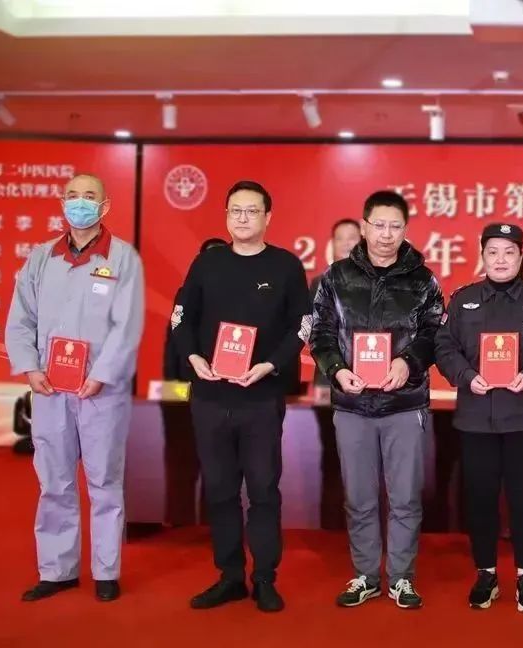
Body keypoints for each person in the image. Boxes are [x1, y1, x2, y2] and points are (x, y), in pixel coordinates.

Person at [171, 180, 311, 613]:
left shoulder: (286, 266)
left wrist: (270, 365)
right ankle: (229, 575)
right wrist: (193, 357)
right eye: (236, 211)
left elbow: (302, 326)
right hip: (210, 396)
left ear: (268, 217)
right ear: (226, 216)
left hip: (261, 397)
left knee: (264, 489)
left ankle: (264, 577)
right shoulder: (207, 263)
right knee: (220, 489)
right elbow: (181, 318)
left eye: (252, 211)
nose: (243, 218)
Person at [8, 173, 144, 603]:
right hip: (51, 389)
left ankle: (106, 570)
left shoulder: (123, 258)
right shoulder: (41, 258)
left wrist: (101, 374)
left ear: (105, 206)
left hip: (101, 391)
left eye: (89, 196)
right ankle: (57, 569)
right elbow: (20, 319)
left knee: (104, 481)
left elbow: (127, 325)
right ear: (61, 203)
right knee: (54, 481)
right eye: (72, 196)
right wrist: (30, 369)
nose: (79, 203)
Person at [310, 190, 443, 610]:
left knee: (405, 497)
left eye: (395, 226)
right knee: (359, 497)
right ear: (364, 227)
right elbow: (320, 334)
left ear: (406, 229)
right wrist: (336, 369)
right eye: (379, 225)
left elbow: (435, 334)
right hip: (352, 405)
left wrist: (409, 362)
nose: (386, 234)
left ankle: (401, 577)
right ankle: (366, 575)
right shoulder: (335, 277)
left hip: (404, 404)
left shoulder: (423, 280)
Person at [435, 223, 523, 612]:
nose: (501, 260)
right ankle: (486, 573)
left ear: (520, 257)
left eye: (509, 252)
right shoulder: (464, 301)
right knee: (480, 499)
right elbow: (444, 347)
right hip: (477, 418)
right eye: (493, 252)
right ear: (483, 256)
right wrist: (465, 376)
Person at [164, 237, 228, 381]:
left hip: (234, 376)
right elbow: (174, 338)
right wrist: (170, 387)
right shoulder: (187, 293)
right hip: (193, 373)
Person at [309, 219, 362, 388]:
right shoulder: (319, 283)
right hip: (329, 373)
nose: (346, 243)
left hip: (366, 368)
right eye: (340, 238)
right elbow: (314, 330)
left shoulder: (377, 281)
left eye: (351, 238)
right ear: (332, 244)